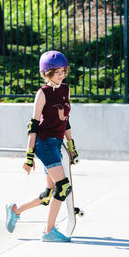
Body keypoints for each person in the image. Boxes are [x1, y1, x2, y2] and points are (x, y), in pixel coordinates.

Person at [5, 50, 79, 242]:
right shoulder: (42, 93)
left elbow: (66, 120)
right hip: (44, 144)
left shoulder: (66, 89)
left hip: (57, 143)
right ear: (47, 73)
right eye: (57, 71)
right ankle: (48, 231)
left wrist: (71, 145)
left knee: (49, 194)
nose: (61, 74)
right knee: (63, 187)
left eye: (63, 70)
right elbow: (34, 125)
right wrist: (29, 156)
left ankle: (15, 210)